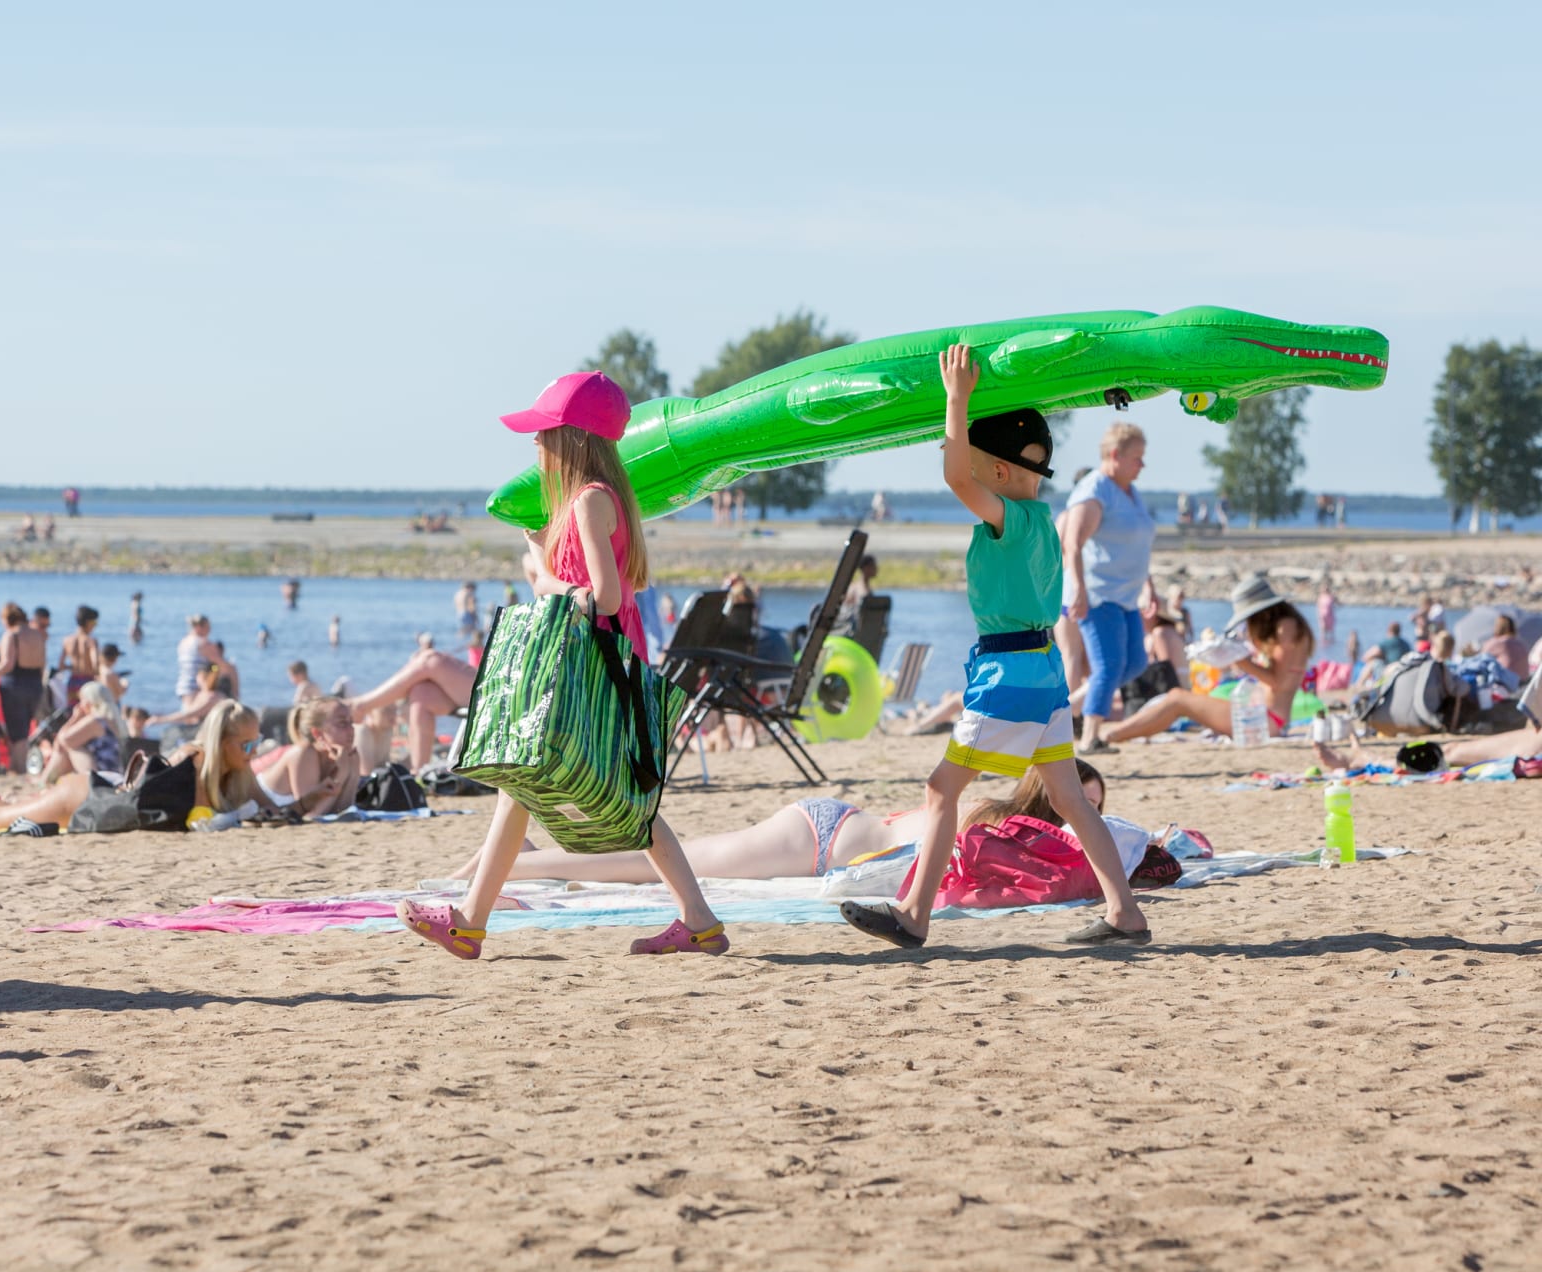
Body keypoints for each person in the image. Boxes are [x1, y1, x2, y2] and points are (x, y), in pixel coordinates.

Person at [396, 370, 728, 960]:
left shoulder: (589, 501)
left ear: (572, 439)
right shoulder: (600, 498)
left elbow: (601, 595)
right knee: (597, 795)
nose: (535, 444)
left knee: (586, 792)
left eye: (544, 432)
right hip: (608, 661)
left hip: (594, 666)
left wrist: (538, 569)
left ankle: (471, 923)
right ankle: (698, 922)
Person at [840, 345, 1148, 950]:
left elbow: (957, 476)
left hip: (1009, 673)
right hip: (1044, 670)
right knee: (1066, 795)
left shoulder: (1009, 519)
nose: (961, 465)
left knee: (940, 789)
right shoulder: (1040, 520)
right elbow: (963, 467)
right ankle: (1124, 911)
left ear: (1001, 472)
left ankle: (913, 914)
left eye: (973, 458)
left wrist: (957, 398)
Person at [464, 760, 1110, 883]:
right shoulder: (997, 826)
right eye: (1087, 808)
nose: (1091, 821)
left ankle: (521, 858)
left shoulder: (992, 811)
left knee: (668, 860)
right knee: (657, 865)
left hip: (829, 826)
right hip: (817, 838)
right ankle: (518, 862)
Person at [0, 700, 275, 833]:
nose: (254, 751)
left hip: (100, 792)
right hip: (87, 798)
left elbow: (274, 807)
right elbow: (197, 821)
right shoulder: (193, 760)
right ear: (222, 743)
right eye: (248, 743)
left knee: (10, 803)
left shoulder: (235, 770)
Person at [1103, 575, 1315, 744]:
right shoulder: (1291, 625)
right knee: (1177, 700)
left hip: (1266, 720)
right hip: (1266, 717)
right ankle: (1118, 734)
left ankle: (1113, 735)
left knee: (1178, 699)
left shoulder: (1286, 627)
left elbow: (1277, 681)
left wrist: (1240, 661)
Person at [1060, 422, 1157, 754]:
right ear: (1114, 455)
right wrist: (1080, 592)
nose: (1142, 465)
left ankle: (1063, 712)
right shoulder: (1094, 490)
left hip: (1127, 596)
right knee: (1109, 666)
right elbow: (1072, 545)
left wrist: (1150, 588)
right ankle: (1089, 738)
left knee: (1135, 663)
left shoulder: (1130, 490)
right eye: (1137, 458)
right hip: (1098, 594)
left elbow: (1140, 545)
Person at [347, 642, 477, 766]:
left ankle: (362, 705)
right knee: (422, 694)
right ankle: (419, 773)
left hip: (495, 692)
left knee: (431, 659)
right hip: (488, 686)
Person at [254, 696, 361, 817]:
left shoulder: (345, 756)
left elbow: (344, 810)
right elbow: (310, 816)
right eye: (342, 723)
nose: (351, 729)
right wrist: (342, 774)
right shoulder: (304, 753)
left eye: (351, 722)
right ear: (318, 733)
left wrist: (351, 772)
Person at [0, 603, 48, 771]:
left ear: (7, 619)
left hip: (14, 684)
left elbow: (7, 664)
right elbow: (43, 664)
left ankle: (19, 768)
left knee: (17, 732)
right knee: (27, 727)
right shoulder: (38, 634)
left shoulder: (11, 635)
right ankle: (17, 765)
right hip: (35, 684)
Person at [39, 681, 128, 784]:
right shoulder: (114, 720)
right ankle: (47, 782)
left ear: (89, 701)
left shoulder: (95, 720)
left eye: (81, 700)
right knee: (69, 745)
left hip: (101, 776)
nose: (79, 704)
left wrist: (75, 718)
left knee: (70, 747)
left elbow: (63, 740)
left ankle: (45, 782)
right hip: (114, 771)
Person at [146, 663, 230, 737]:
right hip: (203, 733)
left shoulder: (212, 697)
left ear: (202, 676)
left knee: (171, 734)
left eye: (197, 675)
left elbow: (189, 714)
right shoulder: (205, 694)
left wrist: (161, 719)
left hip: (210, 735)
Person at [58, 605, 102, 698]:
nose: (95, 626)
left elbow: (61, 665)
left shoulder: (67, 640)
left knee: (73, 710)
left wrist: (74, 667)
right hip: (88, 682)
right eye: (94, 622)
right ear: (88, 622)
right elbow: (95, 664)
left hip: (73, 682)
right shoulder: (91, 641)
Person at [175, 614, 218, 701]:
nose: (209, 630)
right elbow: (219, 662)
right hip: (197, 685)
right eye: (208, 627)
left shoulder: (183, 642)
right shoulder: (204, 643)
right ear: (199, 627)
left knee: (189, 711)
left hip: (183, 684)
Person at [1482, 614, 1531, 682]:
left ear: (1498, 627)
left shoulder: (1497, 643)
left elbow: (1482, 659)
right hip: (1525, 684)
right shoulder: (1521, 643)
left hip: (1508, 685)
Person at [1317, 577, 1338, 647]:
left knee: (1331, 631)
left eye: (1326, 588)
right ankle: (1323, 642)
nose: (1325, 590)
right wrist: (1319, 615)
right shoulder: (1320, 597)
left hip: (1330, 615)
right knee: (1323, 631)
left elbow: (1337, 602)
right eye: (1324, 588)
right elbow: (1318, 607)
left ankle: (1331, 642)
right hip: (1323, 615)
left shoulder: (1331, 596)